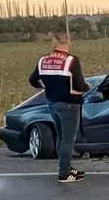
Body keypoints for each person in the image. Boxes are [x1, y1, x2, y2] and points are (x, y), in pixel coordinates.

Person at [28, 32, 88, 183]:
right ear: (68, 44)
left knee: (61, 137)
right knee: (68, 140)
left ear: (53, 44)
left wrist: (46, 87)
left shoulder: (43, 60)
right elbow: (80, 84)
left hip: (52, 103)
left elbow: (33, 80)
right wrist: (88, 87)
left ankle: (66, 167)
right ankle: (64, 173)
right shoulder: (71, 61)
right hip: (70, 104)